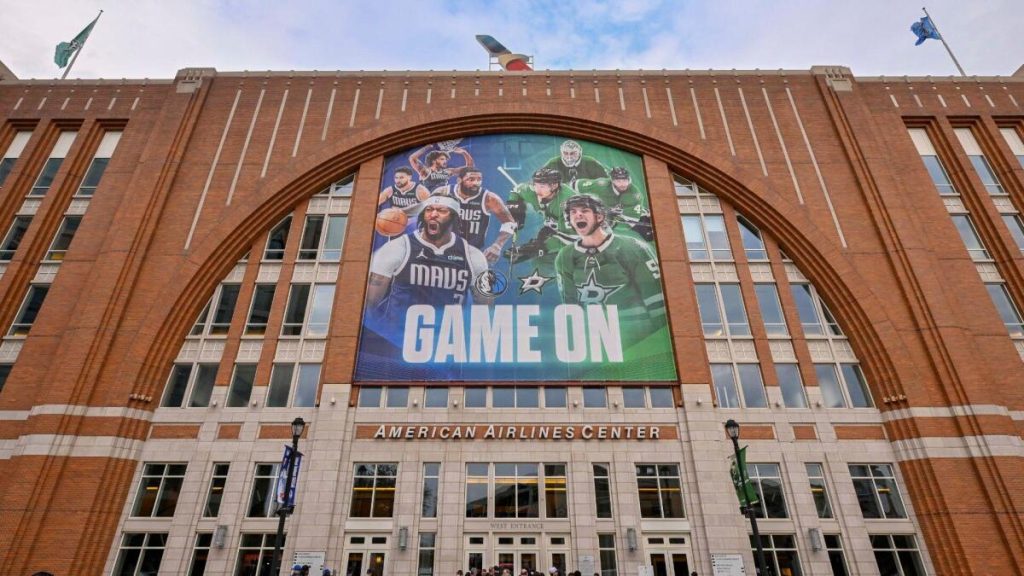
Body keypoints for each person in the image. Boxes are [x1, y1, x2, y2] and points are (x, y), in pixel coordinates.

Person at [554, 194, 667, 338]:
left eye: (585, 210)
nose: (578, 214)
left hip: (640, 340)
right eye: (573, 212)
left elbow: (657, 300)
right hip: (598, 344)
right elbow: (571, 307)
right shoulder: (565, 256)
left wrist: (657, 342)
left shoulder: (632, 247)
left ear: (599, 217)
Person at [366, 195, 493, 321]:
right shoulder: (398, 248)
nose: (433, 214)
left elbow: (484, 306)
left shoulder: (472, 255)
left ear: (454, 217)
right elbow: (369, 304)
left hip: (447, 336)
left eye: (442, 210)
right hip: (400, 335)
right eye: (429, 209)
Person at [505, 168, 577, 274]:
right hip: (552, 228)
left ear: (554, 186)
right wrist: (515, 208)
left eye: (542, 186)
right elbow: (517, 190)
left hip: (578, 235)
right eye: (535, 185)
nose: (537, 190)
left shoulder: (569, 202)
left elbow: (572, 237)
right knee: (538, 260)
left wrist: (538, 248)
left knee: (560, 261)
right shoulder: (532, 191)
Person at [438, 166, 517, 263]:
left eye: (479, 180)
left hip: (472, 254)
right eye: (471, 179)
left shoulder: (489, 198)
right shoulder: (443, 192)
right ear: (459, 180)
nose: (476, 183)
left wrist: (497, 246)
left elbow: (510, 224)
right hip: (442, 251)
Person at [542, 139, 609, 187]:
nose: (569, 157)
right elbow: (538, 181)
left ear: (580, 151)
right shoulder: (553, 163)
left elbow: (605, 181)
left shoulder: (590, 162)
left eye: (573, 153)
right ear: (561, 152)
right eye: (565, 153)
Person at [410, 143, 474, 192]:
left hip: (443, 202)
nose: (445, 161)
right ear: (434, 161)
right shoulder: (425, 171)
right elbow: (412, 158)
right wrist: (428, 146)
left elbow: (470, 169)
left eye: (446, 159)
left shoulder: (447, 171)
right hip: (428, 203)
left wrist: (464, 153)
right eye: (442, 159)